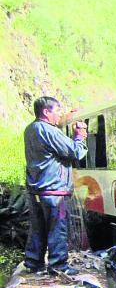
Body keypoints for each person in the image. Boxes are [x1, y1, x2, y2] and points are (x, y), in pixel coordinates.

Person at [24, 96, 87, 276]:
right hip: (54, 190)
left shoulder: (30, 129)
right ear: (46, 112)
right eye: (57, 111)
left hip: (36, 189)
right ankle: (58, 265)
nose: (60, 115)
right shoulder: (48, 130)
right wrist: (79, 138)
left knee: (38, 229)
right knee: (57, 228)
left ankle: (34, 262)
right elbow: (75, 152)